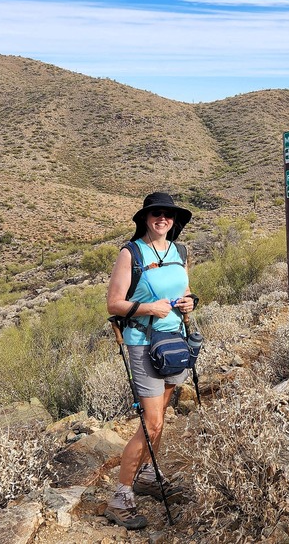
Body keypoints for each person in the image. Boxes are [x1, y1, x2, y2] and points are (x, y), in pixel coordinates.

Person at [104, 192, 196, 529]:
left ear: (174, 220)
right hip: (143, 343)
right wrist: (148, 308)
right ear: (145, 218)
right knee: (152, 423)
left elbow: (183, 290)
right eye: (155, 213)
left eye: (168, 214)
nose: (162, 219)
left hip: (173, 342)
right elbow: (114, 303)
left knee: (161, 416)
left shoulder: (179, 252)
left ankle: (146, 476)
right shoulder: (131, 253)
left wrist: (189, 302)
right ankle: (120, 499)